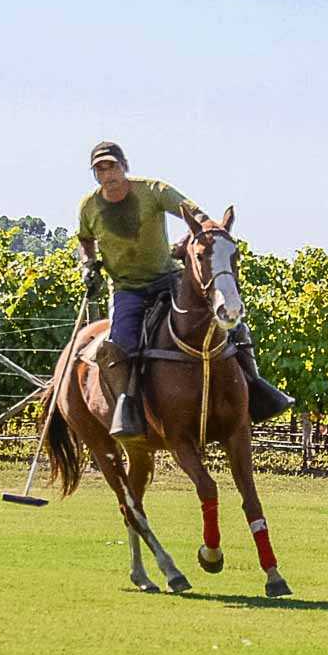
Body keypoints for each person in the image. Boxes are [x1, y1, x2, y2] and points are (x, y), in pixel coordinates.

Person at [76, 140, 293, 438]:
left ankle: (256, 386)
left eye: (112, 166)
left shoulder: (153, 191)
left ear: (124, 166)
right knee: (119, 344)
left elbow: (195, 214)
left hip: (167, 278)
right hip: (127, 288)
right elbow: (85, 240)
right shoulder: (89, 207)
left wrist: (206, 238)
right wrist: (88, 265)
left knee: (228, 322)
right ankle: (127, 405)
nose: (107, 173)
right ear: (95, 175)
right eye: (100, 169)